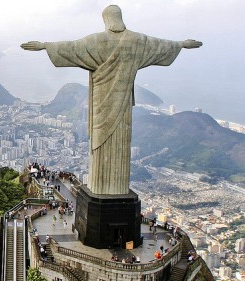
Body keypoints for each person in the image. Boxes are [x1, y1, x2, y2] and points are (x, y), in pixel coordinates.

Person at [21, 5, 202, 195]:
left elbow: (71, 48)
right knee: (121, 144)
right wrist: (181, 44)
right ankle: (117, 188)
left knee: (100, 144)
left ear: (105, 19)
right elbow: (160, 46)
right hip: (123, 106)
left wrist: (44, 45)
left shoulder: (97, 41)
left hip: (101, 104)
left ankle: (101, 187)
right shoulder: (137, 41)